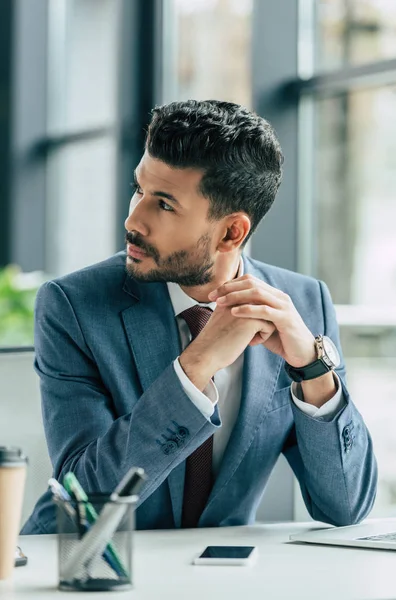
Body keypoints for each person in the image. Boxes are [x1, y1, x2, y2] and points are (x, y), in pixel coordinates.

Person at [22, 100, 377, 534]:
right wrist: (195, 367)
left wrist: (313, 370)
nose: (133, 219)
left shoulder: (303, 302)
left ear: (232, 232)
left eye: (165, 205)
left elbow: (346, 508)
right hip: (84, 570)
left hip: (217, 579)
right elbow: (85, 501)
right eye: (139, 190)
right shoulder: (73, 306)